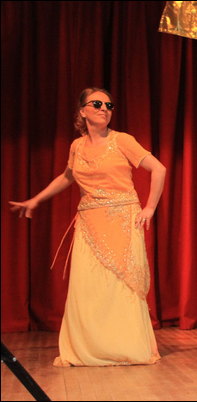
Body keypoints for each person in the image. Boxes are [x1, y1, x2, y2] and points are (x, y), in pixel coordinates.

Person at [10, 87, 166, 366]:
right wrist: (36, 200)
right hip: (89, 223)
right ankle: (90, 348)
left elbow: (159, 169)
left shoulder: (122, 140)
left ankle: (125, 348)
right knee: (89, 288)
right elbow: (66, 177)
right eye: (97, 104)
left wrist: (150, 207)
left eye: (109, 105)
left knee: (120, 287)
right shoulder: (77, 146)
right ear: (82, 111)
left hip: (122, 221)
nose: (104, 108)